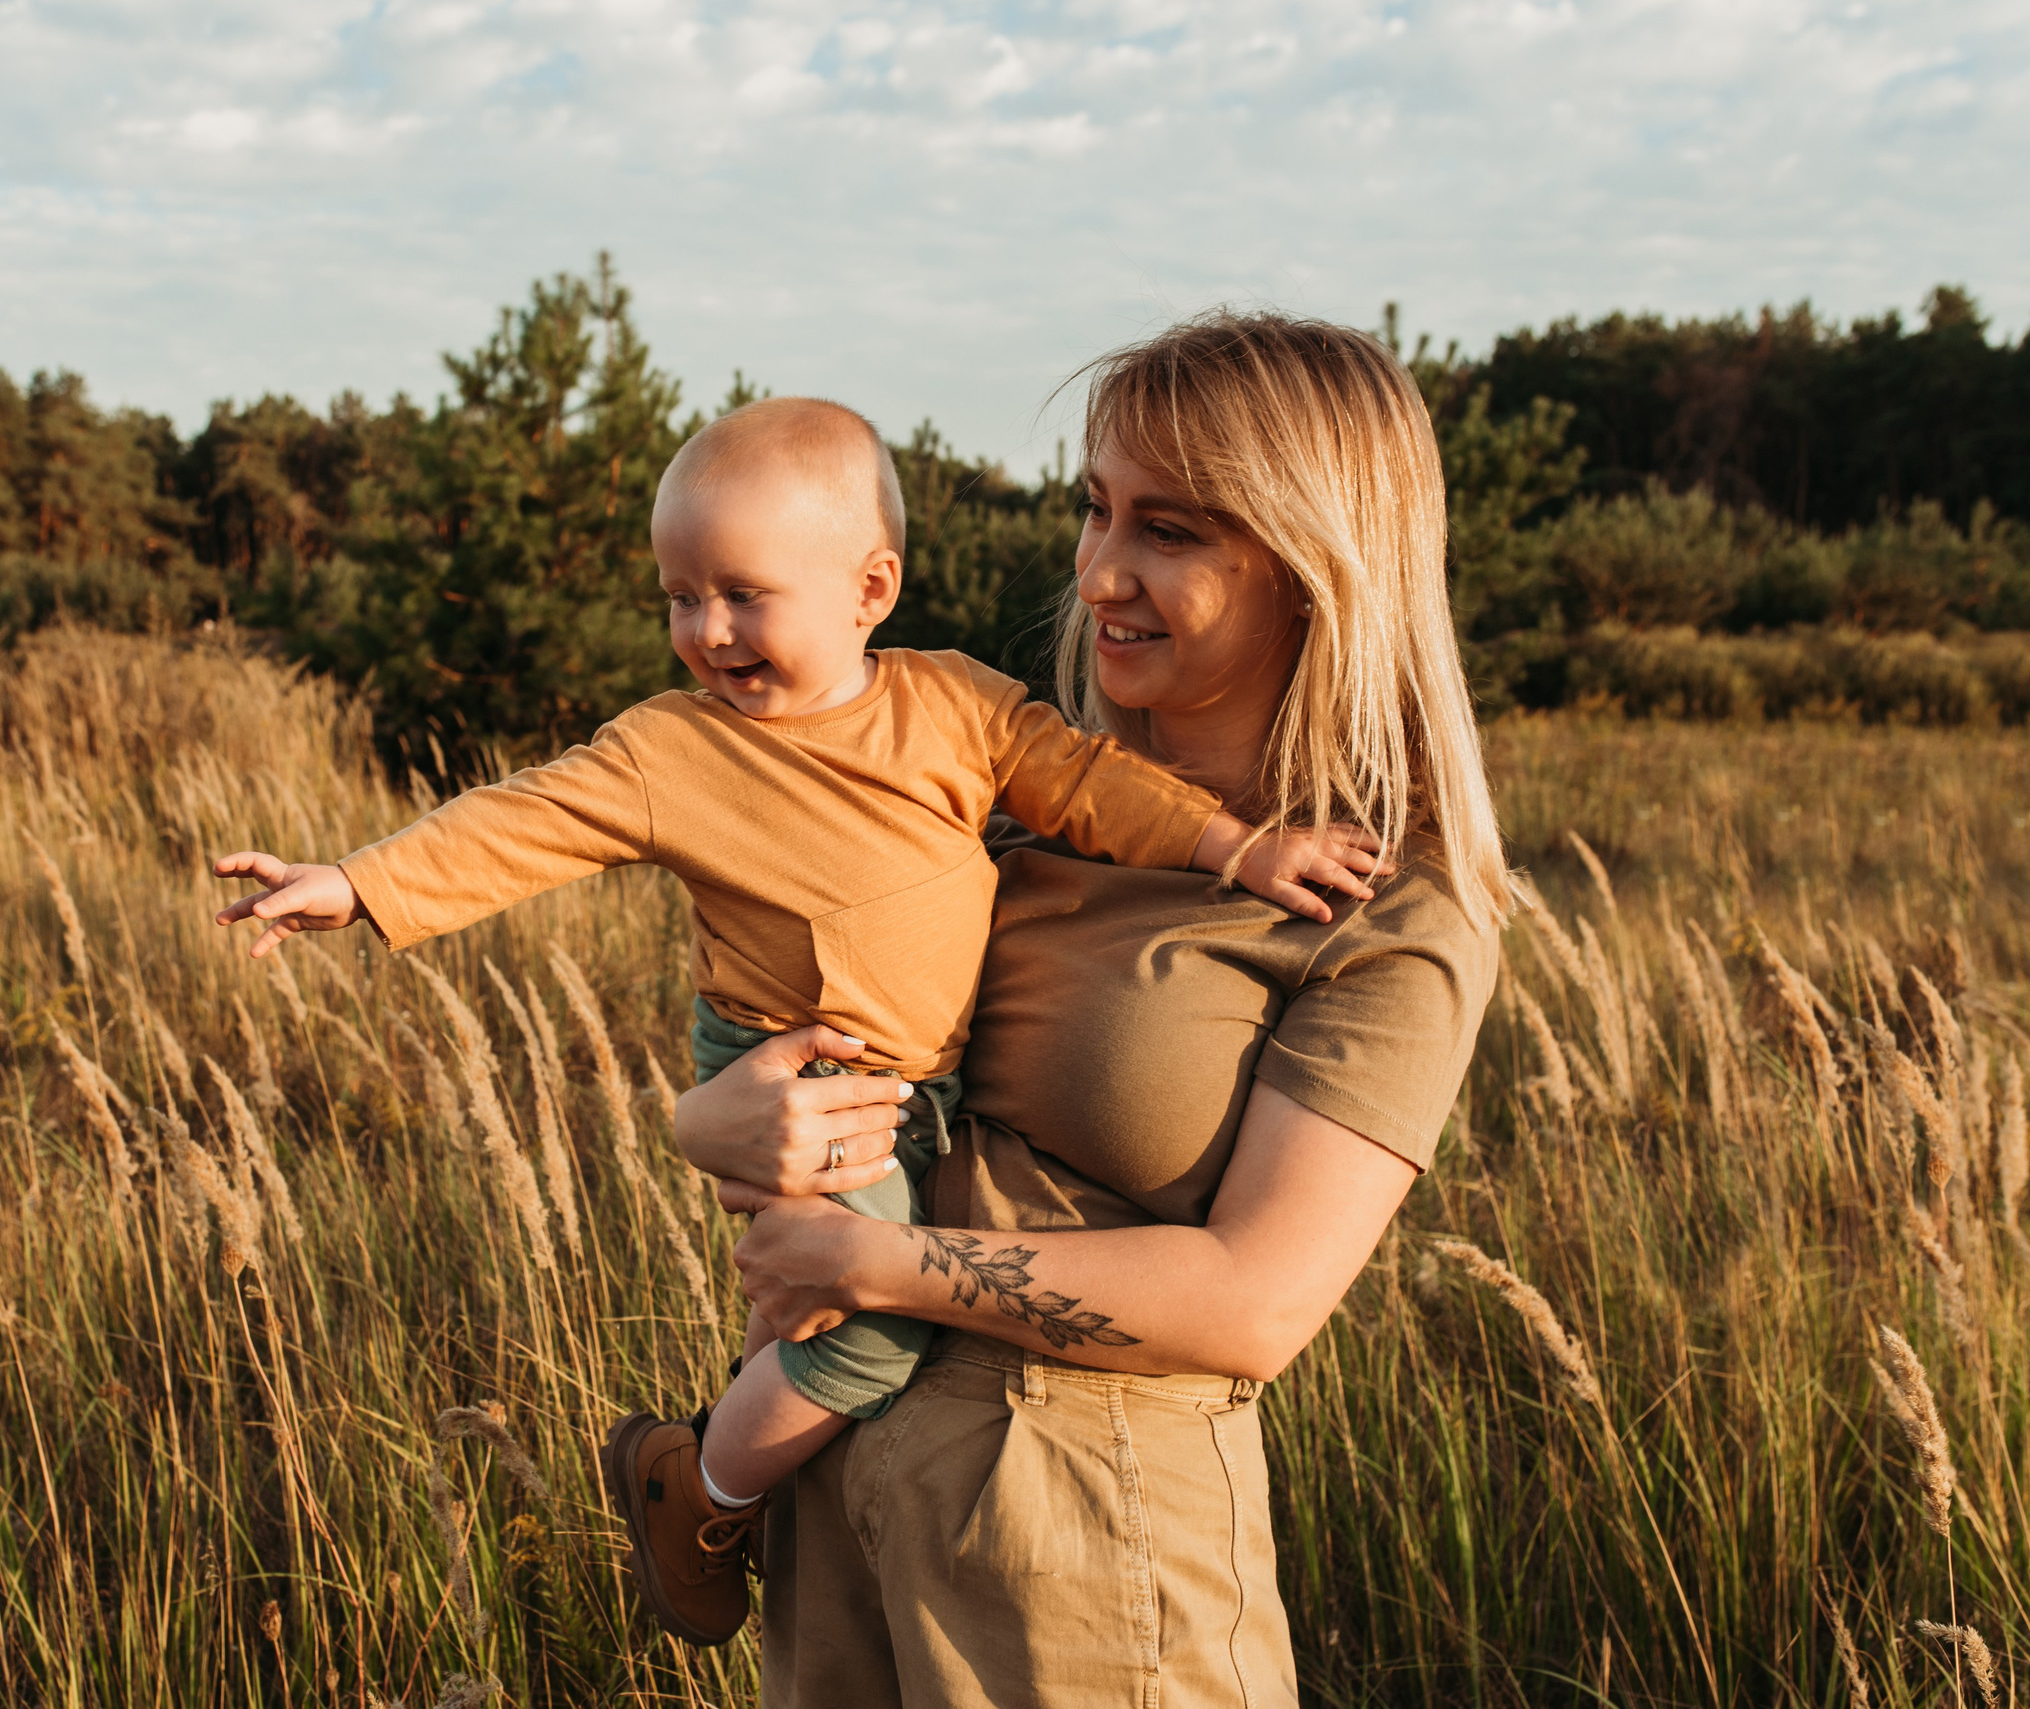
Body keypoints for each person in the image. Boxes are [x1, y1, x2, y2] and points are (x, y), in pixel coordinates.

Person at [204, 395, 1386, 1647]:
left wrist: (1239, 848)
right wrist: (357, 884)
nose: (705, 633)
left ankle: (737, 1458)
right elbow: (518, 822)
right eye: (677, 597)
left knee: (820, 1310)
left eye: (743, 594)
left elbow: (1094, 789)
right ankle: (702, 1490)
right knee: (860, 1348)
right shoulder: (673, 749)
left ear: (870, 586)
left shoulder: (958, 709)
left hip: (921, 1101)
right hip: (806, 1072)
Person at [671, 313, 1509, 1705]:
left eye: (1169, 531)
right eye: (1094, 508)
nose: (1099, 570)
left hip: (1087, 1547)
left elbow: (1255, 1301)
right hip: (845, 1507)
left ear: (1316, 568)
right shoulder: (998, 810)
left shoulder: (1393, 908)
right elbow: (820, 1094)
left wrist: (878, 1273)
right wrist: (711, 1125)